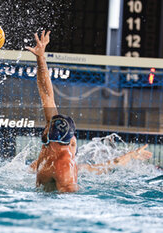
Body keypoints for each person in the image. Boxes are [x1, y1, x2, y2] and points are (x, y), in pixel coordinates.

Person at [26, 30, 152, 192]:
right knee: (101, 167)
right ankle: (131, 156)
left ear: (54, 140)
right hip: (55, 171)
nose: (46, 126)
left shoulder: (65, 168)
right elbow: (47, 95)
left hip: (57, 196)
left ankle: (130, 156)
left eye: (48, 128)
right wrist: (40, 58)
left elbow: (70, 205)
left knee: (98, 168)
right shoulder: (58, 138)